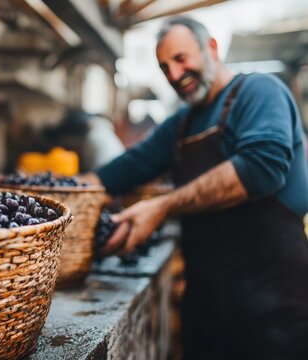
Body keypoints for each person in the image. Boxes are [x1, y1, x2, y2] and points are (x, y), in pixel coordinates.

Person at [84, 16, 308, 359]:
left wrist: (161, 207)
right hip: (206, 308)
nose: (174, 74)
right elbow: (123, 170)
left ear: (212, 48)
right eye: (164, 67)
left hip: (272, 308)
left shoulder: (259, 92)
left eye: (181, 58)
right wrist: (65, 192)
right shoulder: (180, 124)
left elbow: (261, 169)